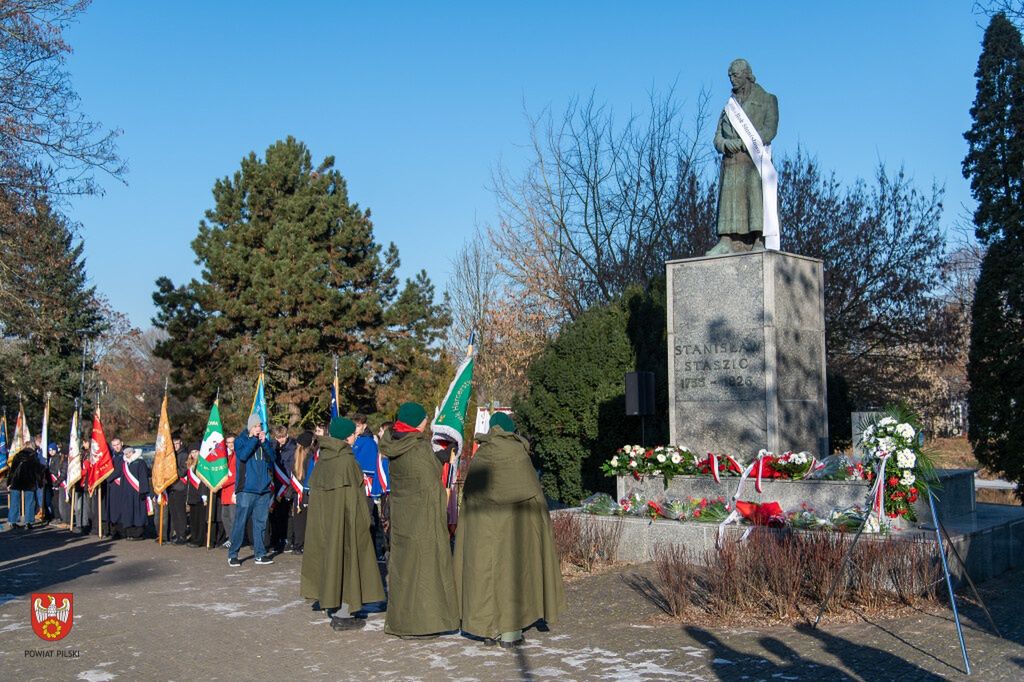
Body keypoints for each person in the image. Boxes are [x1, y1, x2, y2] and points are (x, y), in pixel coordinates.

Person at [454, 413, 565, 648]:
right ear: (511, 430)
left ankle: (487, 631)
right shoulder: (517, 455)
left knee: (484, 576)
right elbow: (536, 498)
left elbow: (470, 497)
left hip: (483, 530)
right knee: (513, 576)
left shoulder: (481, 455)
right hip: (515, 530)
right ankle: (510, 634)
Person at [378, 402, 459, 638]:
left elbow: (419, 471)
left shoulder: (397, 442)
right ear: (416, 422)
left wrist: (441, 456)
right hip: (421, 518)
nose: (427, 422)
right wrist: (442, 459)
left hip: (403, 516)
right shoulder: (416, 447)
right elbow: (427, 480)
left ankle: (403, 621)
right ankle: (418, 625)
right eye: (425, 419)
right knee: (423, 571)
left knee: (404, 571)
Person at [300, 417, 385, 630]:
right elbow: (356, 499)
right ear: (347, 437)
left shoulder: (323, 460)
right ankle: (344, 614)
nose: (355, 436)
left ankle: (334, 605)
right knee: (347, 563)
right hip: (346, 523)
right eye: (353, 434)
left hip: (326, 525)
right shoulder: (346, 461)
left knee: (333, 561)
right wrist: (365, 521)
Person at [706, 58, 779, 256]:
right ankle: (726, 239)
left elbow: (769, 130)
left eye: (735, 75)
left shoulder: (767, 100)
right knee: (728, 201)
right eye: (729, 75)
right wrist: (725, 144)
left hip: (754, 161)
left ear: (747, 75)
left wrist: (743, 143)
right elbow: (717, 138)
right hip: (731, 162)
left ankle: (758, 238)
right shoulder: (729, 106)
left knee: (755, 199)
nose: (732, 79)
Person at [228, 414, 278, 567]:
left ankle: (260, 554)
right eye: (256, 426)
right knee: (240, 523)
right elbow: (242, 456)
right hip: (246, 490)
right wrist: (254, 439)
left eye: (260, 426)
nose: (259, 429)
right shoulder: (240, 441)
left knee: (260, 523)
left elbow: (273, 458)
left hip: (263, 490)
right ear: (250, 427)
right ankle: (233, 554)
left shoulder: (264, 442)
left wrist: (264, 443)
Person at [352, 413, 388, 557]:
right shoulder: (357, 440)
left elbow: (369, 465)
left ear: (364, 426)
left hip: (366, 486)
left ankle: (372, 550)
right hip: (357, 485)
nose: (355, 428)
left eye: (358, 426)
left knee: (368, 518)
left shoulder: (368, 442)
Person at [108, 446, 151, 540]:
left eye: (129, 453)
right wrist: (106, 479)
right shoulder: (125, 464)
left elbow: (143, 477)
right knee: (128, 512)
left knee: (137, 513)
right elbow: (117, 473)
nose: (127, 455)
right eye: (126, 454)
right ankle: (130, 532)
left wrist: (144, 491)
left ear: (133, 452)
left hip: (137, 493)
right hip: (127, 493)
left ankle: (138, 534)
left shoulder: (140, 462)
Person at [288, 431, 317, 554]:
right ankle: (306, 545)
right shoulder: (311, 457)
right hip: (307, 493)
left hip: (297, 494)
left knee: (298, 521)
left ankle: (297, 545)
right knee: (308, 521)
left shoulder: (294, 457)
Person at [270, 425, 297, 552]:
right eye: (277, 437)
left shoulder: (293, 448)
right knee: (277, 514)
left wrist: (290, 489)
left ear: (286, 435)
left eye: (282, 437)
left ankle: (288, 539)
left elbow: (294, 469)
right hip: (276, 485)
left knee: (288, 515)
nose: (280, 440)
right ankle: (278, 538)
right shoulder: (274, 447)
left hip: (288, 485)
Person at [5, 447, 43, 529]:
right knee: (29, 502)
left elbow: (12, 470)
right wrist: (40, 483)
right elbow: (37, 472)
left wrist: (9, 483)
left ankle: (12, 521)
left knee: (14, 502)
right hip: (29, 481)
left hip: (16, 480)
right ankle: (28, 522)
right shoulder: (34, 457)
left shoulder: (17, 456)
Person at [167, 434, 189, 545]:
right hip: (170, 487)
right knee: (174, 513)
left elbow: (183, 471)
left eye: (177, 443)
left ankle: (182, 535)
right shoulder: (170, 455)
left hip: (180, 487)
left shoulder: (184, 455)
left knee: (180, 512)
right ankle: (177, 534)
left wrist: (172, 468)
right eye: (173, 443)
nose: (175, 446)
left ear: (180, 443)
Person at [219, 436, 237, 548]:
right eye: (228, 442)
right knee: (224, 516)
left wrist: (222, 483)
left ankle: (233, 539)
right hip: (225, 492)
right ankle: (230, 537)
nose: (230, 445)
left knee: (233, 517)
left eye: (232, 442)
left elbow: (236, 475)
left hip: (232, 491)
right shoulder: (225, 456)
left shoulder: (238, 455)